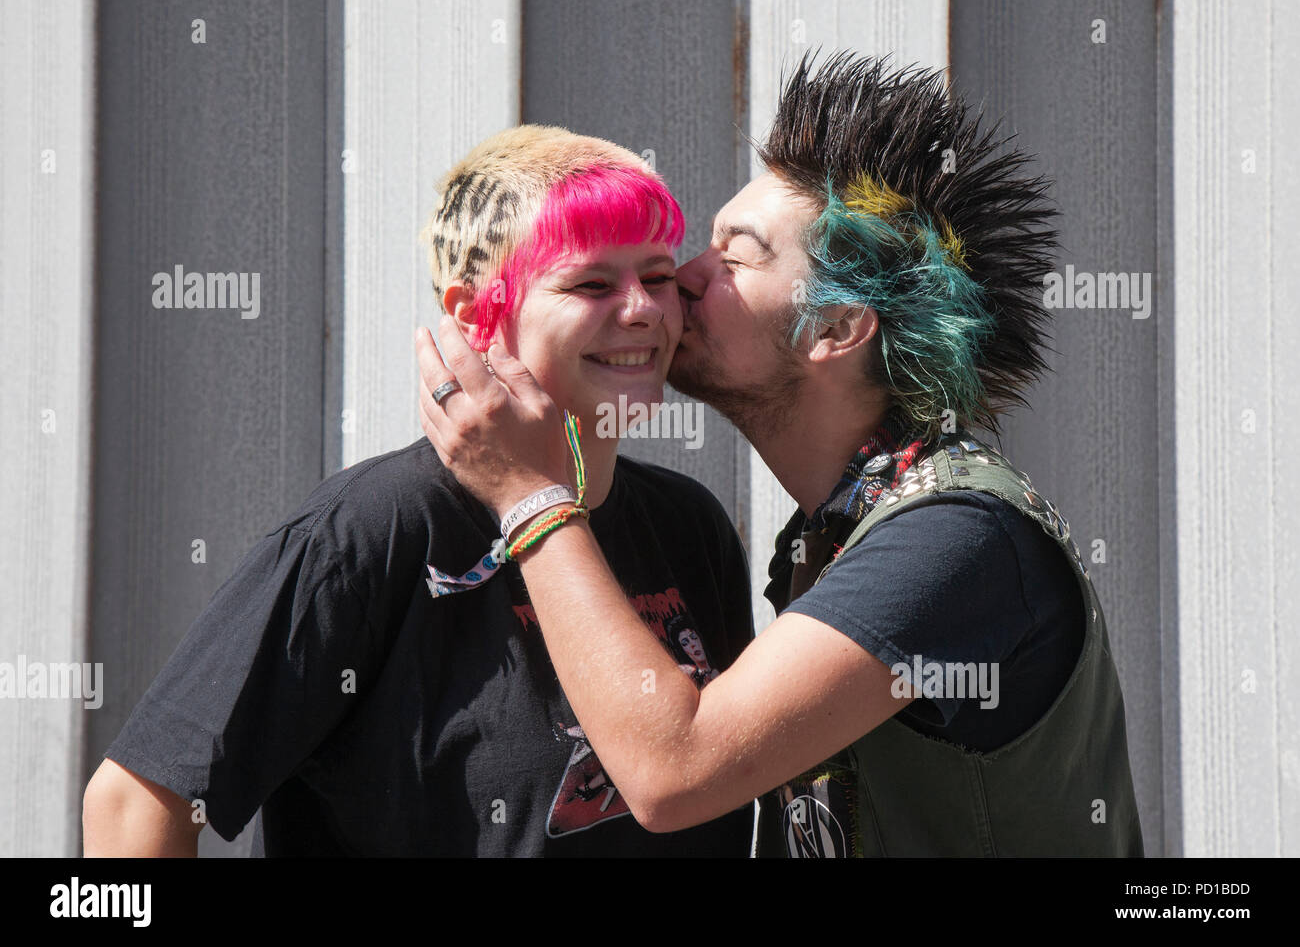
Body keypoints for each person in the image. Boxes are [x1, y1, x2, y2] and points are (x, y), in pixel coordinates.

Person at [414, 52, 1144, 857]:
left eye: (737, 255)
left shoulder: (957, 541)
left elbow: (673, 769)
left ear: (835, 328)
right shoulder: (842, 528)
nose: (681, 277)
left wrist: (528, 492)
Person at [82, 125, 756, 856]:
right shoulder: (374, 527)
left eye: (657, 276)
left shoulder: (690, 526)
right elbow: (131, 805)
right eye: (592, 283)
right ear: (474, 315)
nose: (644, 309)